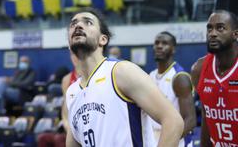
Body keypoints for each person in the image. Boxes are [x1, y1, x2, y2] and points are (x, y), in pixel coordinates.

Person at [64, 9, 183, 147]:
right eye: (73, 24)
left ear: (103, 39)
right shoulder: (72, 92)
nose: (78, 26)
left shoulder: (121, 71)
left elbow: (173, 121)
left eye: (88, 22)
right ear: (69, 42)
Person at [190, 10, 238, 147]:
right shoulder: (198, 69)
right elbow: (207, 118)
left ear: (235, 34)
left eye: (220, 28)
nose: (213, 33)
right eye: (209, 28)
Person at [143, 32, 195, 146]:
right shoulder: (151, 75)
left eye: (165, 43)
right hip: (154, 138)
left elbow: (190, 120)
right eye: (156, 43)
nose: (159, 46)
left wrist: (169, 141)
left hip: (176, 140)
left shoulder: (179, 77)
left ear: (173, 49)